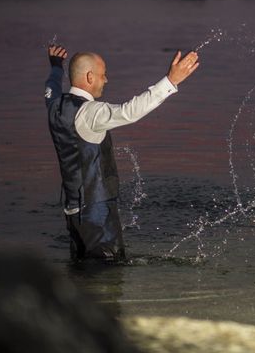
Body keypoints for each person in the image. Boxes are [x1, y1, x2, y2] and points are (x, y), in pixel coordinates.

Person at [44, 45, 199, 261]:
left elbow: (50, 86)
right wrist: (170, 81)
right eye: (103, 74)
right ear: (89, 77)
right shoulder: (91, 113)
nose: (106, 80)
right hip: (96, 214)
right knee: (108, 277)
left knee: (81, 271)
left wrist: (55, 67)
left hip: (73, 213)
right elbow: (129, 111)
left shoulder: (54, 105)